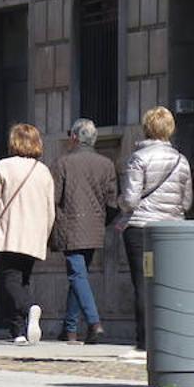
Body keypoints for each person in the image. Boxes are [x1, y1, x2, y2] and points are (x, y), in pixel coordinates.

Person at [118, 107, 193, 355]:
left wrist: (118, 202)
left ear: (146, 127)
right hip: (172, 229)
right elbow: (186, 202)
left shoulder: (138, 158)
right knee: (167, 284)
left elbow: (130, 200)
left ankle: (144, 340)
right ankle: (168, 336)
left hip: (141, 227)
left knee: (143, 284)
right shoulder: (181, 160)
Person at [0, 123, 56, 345]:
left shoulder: (3, 166)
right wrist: (45, 233)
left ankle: (29, 309)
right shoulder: (43, 171)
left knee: (10, 280)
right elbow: (50, 209)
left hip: (10, 231)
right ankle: (18, 330)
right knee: (24, 278)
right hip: (35, 234)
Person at [52, 118, 118, 344]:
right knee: (78, 276)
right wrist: (103, 221)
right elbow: (112, 202)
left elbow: (54, 198)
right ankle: (69, 329)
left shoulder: (63, 163)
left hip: (70, 226)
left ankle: (94, 322)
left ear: (74, 137)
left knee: (77, 275)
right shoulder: (106, 164)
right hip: (95, 227)